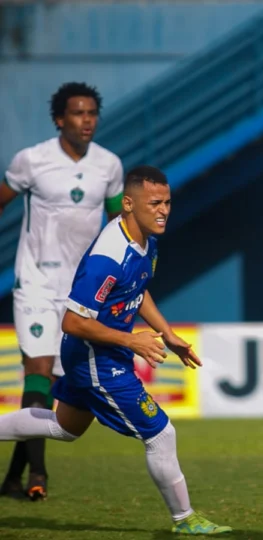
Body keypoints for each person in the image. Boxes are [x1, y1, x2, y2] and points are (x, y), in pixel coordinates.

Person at [0, 166, 232, 535]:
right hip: (96, 358)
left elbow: (136, 291)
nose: (163, 210)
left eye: (167, 202)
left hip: (99, 352)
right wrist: (132, 340)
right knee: (160, 433)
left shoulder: (146, 242)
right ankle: (185, 519)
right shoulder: (107, 257)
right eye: (154, 203)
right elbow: (72, 322)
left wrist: (168, 334)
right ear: (128, 204)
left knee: (64, 427)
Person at [0, 82, 124, 501]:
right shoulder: (31, 160)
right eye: (77, 113)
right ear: (59, 119)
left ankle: (13, 479)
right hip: (35, 282)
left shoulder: (109, 165)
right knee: (37, 369)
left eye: (91, 113)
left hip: (80, 291)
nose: (86, 120)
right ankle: (39, 473)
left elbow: (117, 228)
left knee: (56, 382)